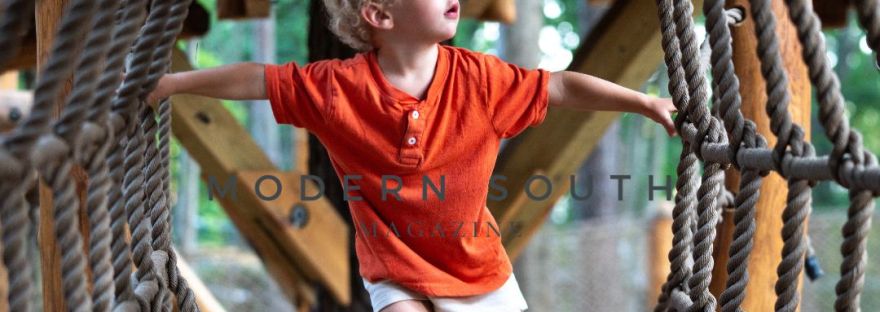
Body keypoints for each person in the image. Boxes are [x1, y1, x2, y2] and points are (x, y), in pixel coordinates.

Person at [148, 0, 677, 311]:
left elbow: (561, 88)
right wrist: (172, 82)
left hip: (479, 271)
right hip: (395, 269)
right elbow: (256, 80)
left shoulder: (482, 80)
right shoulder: (337, 88)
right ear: (379, 13)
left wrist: (645, 101)